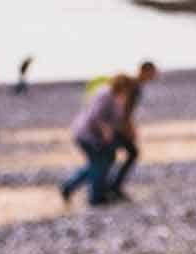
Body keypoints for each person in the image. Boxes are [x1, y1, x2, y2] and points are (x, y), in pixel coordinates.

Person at [60, 75, 132, 208]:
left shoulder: (117, 96)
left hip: (96, 137)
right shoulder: (105, 94)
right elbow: (95, 115)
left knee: (101, 163)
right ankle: (94, 197)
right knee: (99, 164)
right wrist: (106, 130)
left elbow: (117, 118)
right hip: (87, 135)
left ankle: (70, 187)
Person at [106, 59, 158, 199]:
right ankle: (112, 187)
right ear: (144, 71)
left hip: (115, 126)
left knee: (110, 157)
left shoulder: (135, 85)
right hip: (115, 127)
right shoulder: (134, 86)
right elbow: (124, 111)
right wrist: (129, 130)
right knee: (111, 157)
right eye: (153, 72)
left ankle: (112, 187)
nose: (155, 76)